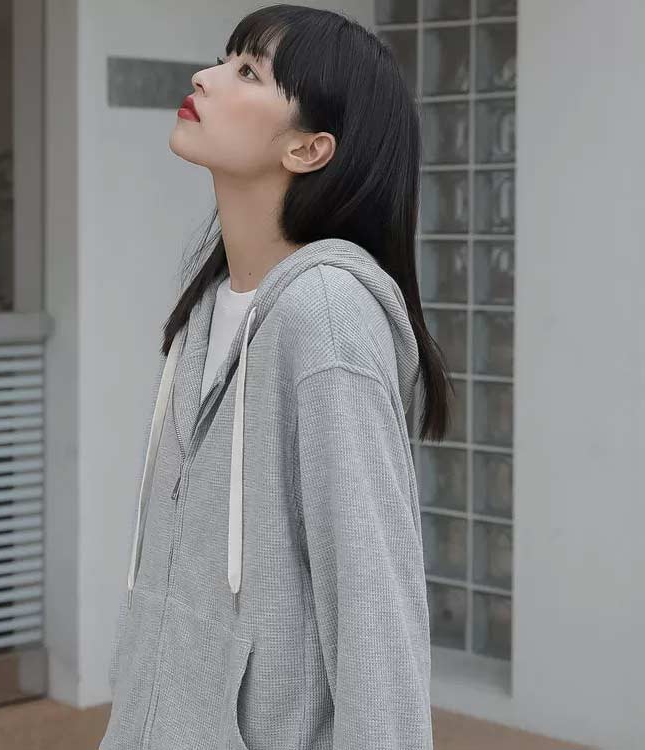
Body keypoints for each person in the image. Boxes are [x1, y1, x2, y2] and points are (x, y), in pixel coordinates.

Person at [99, 5, 453, 749]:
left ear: (309, 147)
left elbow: (373, 614)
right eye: (223, 59)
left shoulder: (326, 314)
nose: (206, 77)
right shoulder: (204, 314)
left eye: (248, 71)